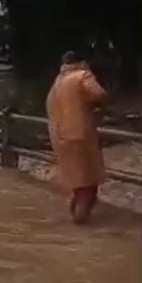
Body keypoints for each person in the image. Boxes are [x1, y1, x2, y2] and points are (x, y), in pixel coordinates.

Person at [47, 51, 107, 224]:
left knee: (77, 180)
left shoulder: (57, 82)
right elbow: (99, 94)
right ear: (81, 61)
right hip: (80, 135)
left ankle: (76, 215)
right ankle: (81, 222)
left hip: (59, 137)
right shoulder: (82, 76)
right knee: (89, 181)